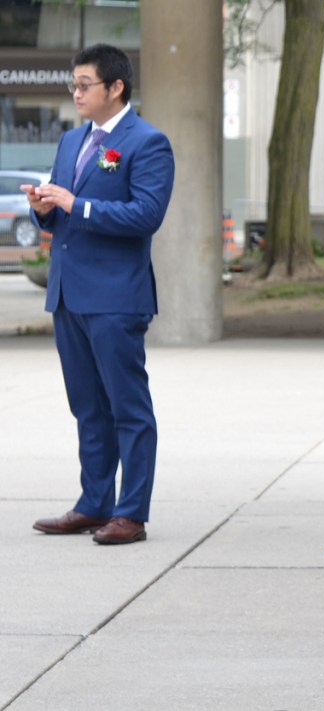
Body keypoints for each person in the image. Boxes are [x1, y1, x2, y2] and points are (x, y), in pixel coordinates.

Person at [22, 44, 174, 546]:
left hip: (116, 297)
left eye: (84, 84)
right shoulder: (71, 142)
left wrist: (77, 205)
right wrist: (43, 208)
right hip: (69, 294)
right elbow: (59, 208)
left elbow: (145, 216)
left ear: (116, 87)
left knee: (128, 407)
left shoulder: (147, 142)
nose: (76, 93)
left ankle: (131, 513)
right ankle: (93, 504)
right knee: (87, 406)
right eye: (74, 84)